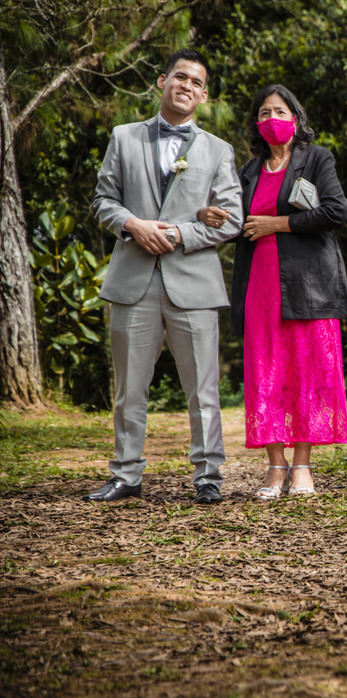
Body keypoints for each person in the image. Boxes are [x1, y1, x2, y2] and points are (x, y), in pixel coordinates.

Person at [88, 49, 242, 503]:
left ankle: (208, 475)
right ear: (162, 81)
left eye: (196, 82)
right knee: (129, 387)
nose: (187, 86)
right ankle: (126, 474)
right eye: (180, 77)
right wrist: (133, 225)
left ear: (204, 94)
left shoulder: (218, 150)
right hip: (133, 282)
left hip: (193, 284)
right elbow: (103, 201)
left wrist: (178, 233)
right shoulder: (124, 137)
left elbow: (231, 219)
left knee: (203, 390)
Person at [199, 84, 347, 498]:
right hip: (260, 289)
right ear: (256, 124)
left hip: (308, 288)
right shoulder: (248, 172)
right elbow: (236, 225)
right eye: (264, 113)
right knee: (267, 374)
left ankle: (302, 465)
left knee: (306, 371)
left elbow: (337, 210)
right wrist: (209, 215)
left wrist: (278, 224)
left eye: (280, 111)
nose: (272, 120)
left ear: (296, 119)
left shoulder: (316, 159)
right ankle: (275, 466)